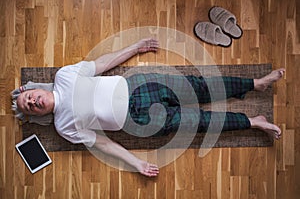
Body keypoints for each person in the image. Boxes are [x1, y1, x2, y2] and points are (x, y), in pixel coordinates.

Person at [11, 38, 285, 177]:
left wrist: (135, 46)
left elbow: (102, 64)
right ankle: (254, 121)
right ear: (38, 115)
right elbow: (104, 144)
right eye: (31, 107)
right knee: (198, 122)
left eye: (31, 97)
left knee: (199, 86)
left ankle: (256, 83)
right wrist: (136, 162)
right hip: (140, 121)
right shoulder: (63, 127)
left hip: (139, 87)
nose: (34, 102)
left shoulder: (64, 76)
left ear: (37, 89)